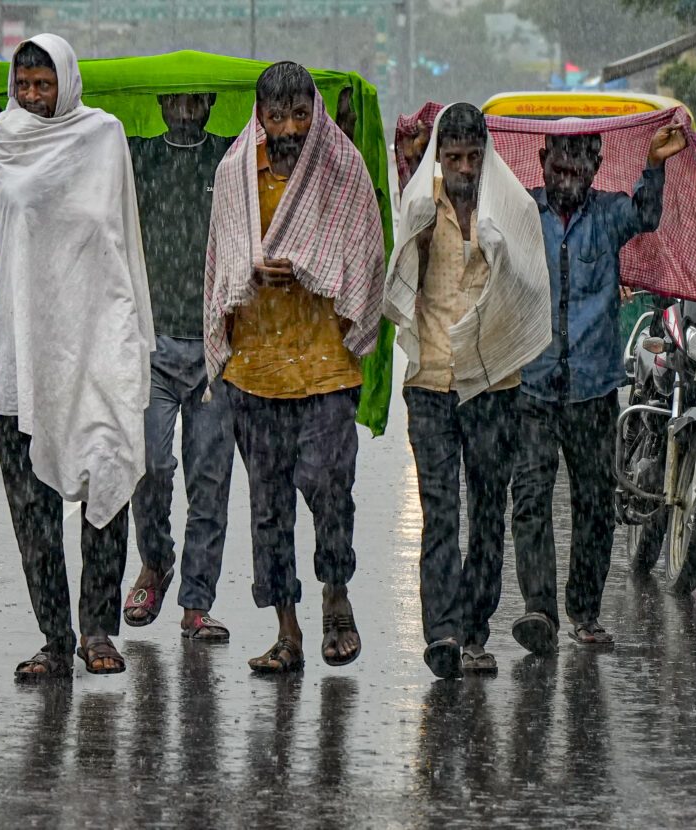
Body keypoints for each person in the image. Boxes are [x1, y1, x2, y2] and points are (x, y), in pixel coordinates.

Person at [0, 35, 154, 679]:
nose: (31, 96)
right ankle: (55, 638)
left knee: (108, 471)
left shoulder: (102, 137)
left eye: (43, 84)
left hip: (97, 337)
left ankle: (99, 630)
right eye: (23, 84)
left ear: (67, 83)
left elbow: (120, 231)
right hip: (26, 348)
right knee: (33, 505)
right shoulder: (3, 139)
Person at [204, 62, 386, 674]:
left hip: (325, 365)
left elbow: (365, 250)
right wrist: (249, 271)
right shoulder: (235, 174)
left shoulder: (343, 171)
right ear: (260, 116)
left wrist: (309, 268)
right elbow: (224, 257)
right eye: (277, 116)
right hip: (254, 369)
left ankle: (336, 595)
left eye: (300, 114)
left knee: (331, 490)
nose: (288, 128)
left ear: (316, 112)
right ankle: (287, 630)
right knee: (268, 507)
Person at [386, 103, 551, 678]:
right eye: (452, 157)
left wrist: (501, 253)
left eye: (472, 157)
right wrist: (420, 231)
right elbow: (401, 274)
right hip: (430, 381)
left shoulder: (512, 209)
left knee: (486, 512)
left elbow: (530, 285)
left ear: (486, 156)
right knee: (440, 512)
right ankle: (443, 634)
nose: (462, 168)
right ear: (440, 155)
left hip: (493, 384)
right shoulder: (421, 208)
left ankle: (475, 632)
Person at [509, 125, 687, 656]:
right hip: (533, 386)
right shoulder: (521, 212)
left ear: (595, 170)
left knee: (593, 504)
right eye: (558, 169)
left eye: (577, 171)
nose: (566, 180)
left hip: (592, 390)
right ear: (541, 161)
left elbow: (647, 215)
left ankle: (584, 612)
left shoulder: (610, 214)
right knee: (530, 500)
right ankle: (539, 610)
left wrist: (654, 163)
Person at [119, 93, 236, 641]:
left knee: (209, 480)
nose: (186, 110)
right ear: (161, 101)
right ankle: (156, 561)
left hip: (216, 346)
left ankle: (196, 602)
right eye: (176, 99)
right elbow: (70, 142)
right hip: (153, 343)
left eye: (196, 99)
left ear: (211, 102)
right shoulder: (138, 155)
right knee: (149, 464)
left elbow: (296, 156)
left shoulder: (229, 157)